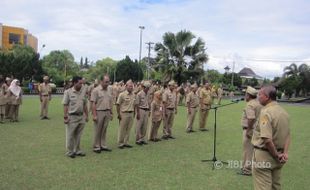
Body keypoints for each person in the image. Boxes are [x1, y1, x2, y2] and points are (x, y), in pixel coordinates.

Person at [252, 86, 290, 190]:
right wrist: (285, 153)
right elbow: (288, 135)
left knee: (262, 187)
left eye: (260, 94)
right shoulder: (284, 113)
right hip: (279, 156)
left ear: (267, 97)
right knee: (275, 186)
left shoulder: (266, 112)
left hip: (265, 156)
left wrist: (276, 155)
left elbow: (267, 139)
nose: (258, 97)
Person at [238, 86, 262, 176]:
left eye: (246, 94)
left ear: (248, 95)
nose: (245, 96)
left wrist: (248, 131)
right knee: (250, 150)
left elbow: (251, 119)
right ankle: (245, 167)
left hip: (249, 129)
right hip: (255, 129)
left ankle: (247, 170)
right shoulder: (257, 103)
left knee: (247, 150)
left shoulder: (250, 104)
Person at [62, 76, 89, 158]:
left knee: (78, 135)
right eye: (80, 83)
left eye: (82, 83)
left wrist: (87, 115)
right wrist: (65, 117)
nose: (81, 85)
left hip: (81, 116)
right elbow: (65, 105)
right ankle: (70, 151)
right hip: (72, 116)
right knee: (70, 135)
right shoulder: (68, 92)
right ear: (74, 83)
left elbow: (85, 104)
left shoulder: (83, 92)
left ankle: (77, 150)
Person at [91, 76, 113, 153]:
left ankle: (103, 145)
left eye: (108, 82)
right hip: (99, 112)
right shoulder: (95, 90)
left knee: (104, 129)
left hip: (107, 111)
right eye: (106, 82)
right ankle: (97, 146)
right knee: (98, 130)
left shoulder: (109, 90)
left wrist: (111, 112)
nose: (108, 83)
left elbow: (110, 102)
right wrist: (94, 115)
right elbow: (93, 103)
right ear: (101, 81)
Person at [116, 80, 136, 149]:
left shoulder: (133, 94)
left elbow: (134, 104)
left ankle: (126, 142)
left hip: (131, 113)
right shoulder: (122, 94)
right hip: (124, 113)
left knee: (128, 129)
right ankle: (120, 143)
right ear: (126, 86)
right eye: (130, 86)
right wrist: (118, 114)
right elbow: (118, 104)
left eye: (132, 86)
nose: (131, 87)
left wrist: (134, 113)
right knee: (122, 129)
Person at [135, 81, 151, 145]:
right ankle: (138, 139)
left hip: (146, 110)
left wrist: (149, 110)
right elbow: (137, 104)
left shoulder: (148, 93)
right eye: (147, 88)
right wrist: (138, 113)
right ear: (143, 87)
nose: (148, 89)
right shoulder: (139, 94)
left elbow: (149, 102)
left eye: (148, 88)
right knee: (139, 125)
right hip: (141, 110)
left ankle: (142, 139)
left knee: (145, 125)